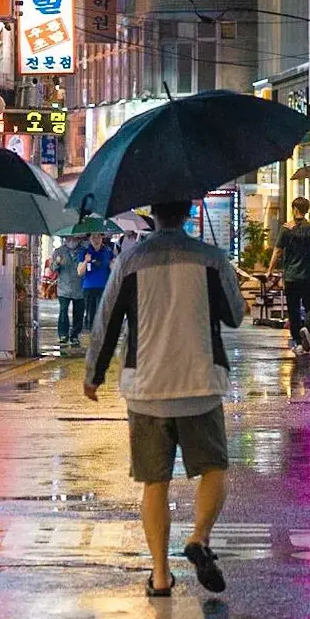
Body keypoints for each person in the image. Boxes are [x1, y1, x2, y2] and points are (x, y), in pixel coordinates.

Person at [84, 198, 245, 598]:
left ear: (152, 215)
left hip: (147, 388)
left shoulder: (131, 259)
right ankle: (200, 538)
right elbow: (235, 315)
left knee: (154, 483)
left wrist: (94, 373)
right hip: (200, 384)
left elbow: (106, 322)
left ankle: (159, 575)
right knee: (213, 467)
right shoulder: (210, 258)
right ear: (189, 213)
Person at [268, 196, 310, 356]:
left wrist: (269, 269)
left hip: (291, 276)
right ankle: (307, 328)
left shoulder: (286, 229)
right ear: (307, 211)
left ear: (294, 209)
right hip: (309, 276)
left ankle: (298, 341)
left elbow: (277, 250)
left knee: (294, 310)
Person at [49, 237, 86, 352]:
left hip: (79, 287)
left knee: (78, 313)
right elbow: (52, 268)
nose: (72, 240)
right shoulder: (59, 251)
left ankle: (75, 335)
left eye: (75, 238)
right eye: (70, 238)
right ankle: (63, 335)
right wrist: (57, 262)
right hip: (64, 288)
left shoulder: (84, 250)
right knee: (63, 311)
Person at [78, 231, 114, 329]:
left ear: (102, 237)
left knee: (102, 312)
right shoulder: (84, 251)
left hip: (104, 286)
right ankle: (91, 332)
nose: (96, 239)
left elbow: (113, 267)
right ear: (89, 238)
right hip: (89, 287)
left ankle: (101, 333)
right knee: (90, 313)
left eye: (98, 236)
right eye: (93, 237)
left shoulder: (108, 251)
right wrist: (86, 261)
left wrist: (113, 265)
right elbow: (80, 272)